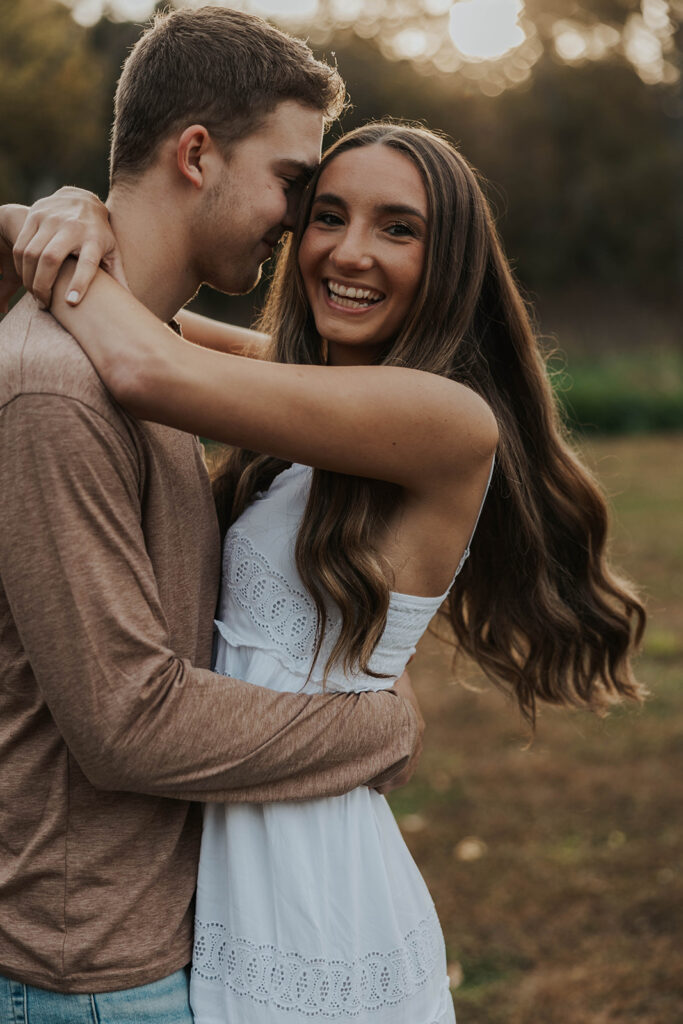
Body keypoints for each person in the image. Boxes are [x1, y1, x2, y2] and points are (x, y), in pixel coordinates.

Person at [3, 121, 646, 1024]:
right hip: (226, 863)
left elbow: (144, 361)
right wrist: (60, 215)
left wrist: (56, 233)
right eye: (327, 216)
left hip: (314, 889)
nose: (350, 252)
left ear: (451, 259)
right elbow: (145, 314)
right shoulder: (310, 389)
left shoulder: (443, 417)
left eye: (398, 228)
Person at [0, 10, 425, 1023]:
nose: (296, 218)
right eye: (291, 181)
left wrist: (39, 221)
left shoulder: (146, 360)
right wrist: (376, 728)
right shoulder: (57, 387)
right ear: (196, 153)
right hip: (94, 974)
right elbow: (125, 722)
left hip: (170, 946)